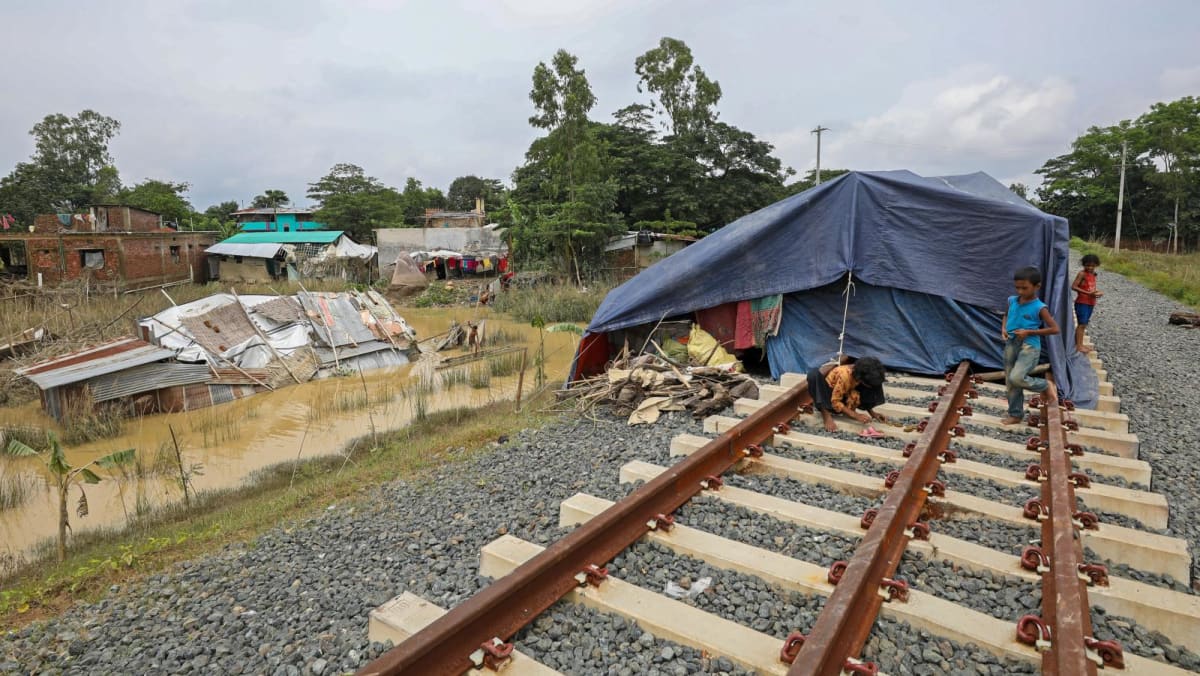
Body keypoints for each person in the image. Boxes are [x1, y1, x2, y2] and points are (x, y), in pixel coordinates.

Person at [1001, 266, 1060, 424]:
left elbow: (1055, 329)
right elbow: (1006, 315)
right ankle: (1015, 414)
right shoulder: (1012, 300)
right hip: (1011, 343)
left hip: (1029, 346)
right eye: (1017, 287)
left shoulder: (1039, 307)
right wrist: (1004, 328)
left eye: (1024, 288)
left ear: (1037, 286)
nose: (1020, 291)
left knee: (1017, 377)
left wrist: (1029, 332)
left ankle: (1045, 385)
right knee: (1010, 381)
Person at [807, 356, 888, 432]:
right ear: (861, 379)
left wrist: (873, 414)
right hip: (829, 402)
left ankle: (848, 411)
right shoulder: (844, 375)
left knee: (876, 382)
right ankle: (826, 415)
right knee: (813, 374)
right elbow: (835, 402)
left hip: (844, 397)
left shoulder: (859, 372)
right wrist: (855, 415)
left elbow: (862, 388)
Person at [1071, 254, 1104, 354]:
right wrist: (1088, 293)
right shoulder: (1082, 274)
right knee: (1081, 324)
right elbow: (1074, 286)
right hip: (1082, 302)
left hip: (1090, 302)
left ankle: (1080, 344)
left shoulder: (1093, 274)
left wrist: (1097, 293)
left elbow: (1090, 288)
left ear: (1096, 265)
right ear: (1083, 265)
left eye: (1092, 266)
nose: (1090, 268)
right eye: (1087, 265)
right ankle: (1078, 346)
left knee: (1084, 324)